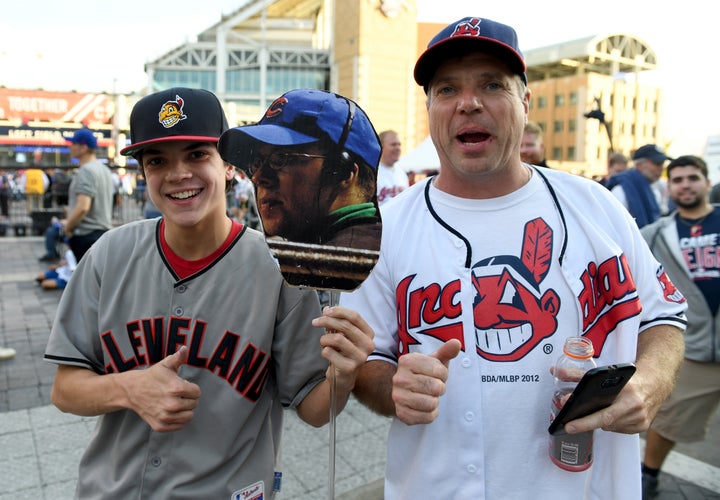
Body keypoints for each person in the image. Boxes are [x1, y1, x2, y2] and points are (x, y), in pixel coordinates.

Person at [340, 16, 687, 500]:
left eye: (491, 84)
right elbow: (366, 359)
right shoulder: (385, 228)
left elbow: (664, 314)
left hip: (582, 487)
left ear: (524, 103)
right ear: (431, 110)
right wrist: (390, 384)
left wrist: (649, 382)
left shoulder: (595, 207)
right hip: (436, 487)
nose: (468, 103)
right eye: (446, 90)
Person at [43, 87, 375, 499]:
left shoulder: (280, 269)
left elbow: (313, 408)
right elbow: (65, 388)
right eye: (157, 161)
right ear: (143, 173)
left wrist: (343, 374)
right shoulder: (109, 254)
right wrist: (129, 388)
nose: (178, 173)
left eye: (197, 154)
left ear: (230, 166)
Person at [639, 155, 720, 499]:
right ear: (669, 187)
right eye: (678, 180)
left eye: (692, 177)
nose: (685, 184)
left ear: (706, 182)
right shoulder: (657, 234)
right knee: (669, 421)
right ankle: (649, 475)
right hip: (695, 346)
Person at [218, 88, 382, 252]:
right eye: (256, 163)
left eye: (280, 159)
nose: (258, 177)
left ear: (341, 170)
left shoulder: (341, 263)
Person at [60, 128, 115, 261]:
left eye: (73, 144)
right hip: (102, 233)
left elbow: (83, 207)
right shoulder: (104, 170)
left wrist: (67, 228)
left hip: (86, 235)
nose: (70, 147)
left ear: (83, 147)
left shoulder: (86, 171)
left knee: (85, 280)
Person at [607, 143, 672, 227]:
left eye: (662, 164)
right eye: (657, 163)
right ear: (639, 165)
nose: (661, 168)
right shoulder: (622, 190)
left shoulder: (654, 191)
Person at [376, 129, 409, 205]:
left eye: (399, 144)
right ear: (381, 147)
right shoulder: (373, 172)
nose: (398, 148)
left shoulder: (401, 173)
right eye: (393, 144)